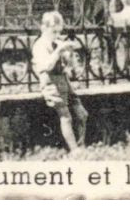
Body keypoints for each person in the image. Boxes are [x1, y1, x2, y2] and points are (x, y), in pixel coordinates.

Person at [32, 11, 89, 151]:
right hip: (51, 83)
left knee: (82, 114)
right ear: (43, 28)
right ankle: (75, 150)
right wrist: (58, 51)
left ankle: (81, 145)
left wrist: (69, 55)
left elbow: (67, 66)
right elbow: (46, 66)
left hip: (64, 81)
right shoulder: (40, 45)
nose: (57, 35)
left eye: (59, 31)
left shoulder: (55, 42)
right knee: (66, 117)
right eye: (54, 31)